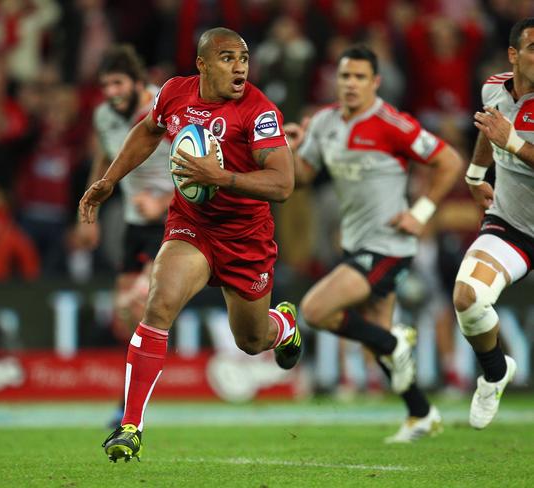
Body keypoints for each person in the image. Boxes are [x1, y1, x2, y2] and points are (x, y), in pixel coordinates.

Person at [79, 27, 301, 462]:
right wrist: (108, 180)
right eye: (227, 57)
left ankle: (285, 326)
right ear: (202, 64)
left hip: (245, 238)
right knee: (158, 304)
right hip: (192, 226)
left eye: (244, 57)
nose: (239, 66)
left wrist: (221, 178)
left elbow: (283, 183)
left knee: (252, 341)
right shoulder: (175, 93)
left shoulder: (259, 112)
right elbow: (147, 131)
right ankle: (130, 426)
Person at [286, 45, 462, 442]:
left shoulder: (391, 123)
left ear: (375, 82)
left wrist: (420, 213)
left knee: (314, 310)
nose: (351, 84)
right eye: (345, 76)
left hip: (389, 245)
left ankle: (393, 340)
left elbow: (449, 160)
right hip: (354, 242)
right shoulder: (324, 122)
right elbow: (303, 177)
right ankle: (421, 413)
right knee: (381, 343)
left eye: (360, 77)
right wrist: (292, 148)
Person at [71, 44, 175, 427]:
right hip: (134, 223)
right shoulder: (104, 116)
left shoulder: (164, 114)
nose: (110, 92)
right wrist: (92, 203)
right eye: (105, 85)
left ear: (137, 82)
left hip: (174, 220)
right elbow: (104, 157)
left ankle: (129, 409)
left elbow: (202, 167)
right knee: (124, 314)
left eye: (118, 83)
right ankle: (127, 400)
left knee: (137, 302)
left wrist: (164, 200)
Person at [452, 17, 534, 429]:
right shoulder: (493, 87)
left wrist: (514, 143)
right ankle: (495, 371)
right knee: (467, 298)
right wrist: (474, 176)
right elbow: (490, 125)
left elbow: (504, 136)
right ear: (514, 55)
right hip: (514, 226)